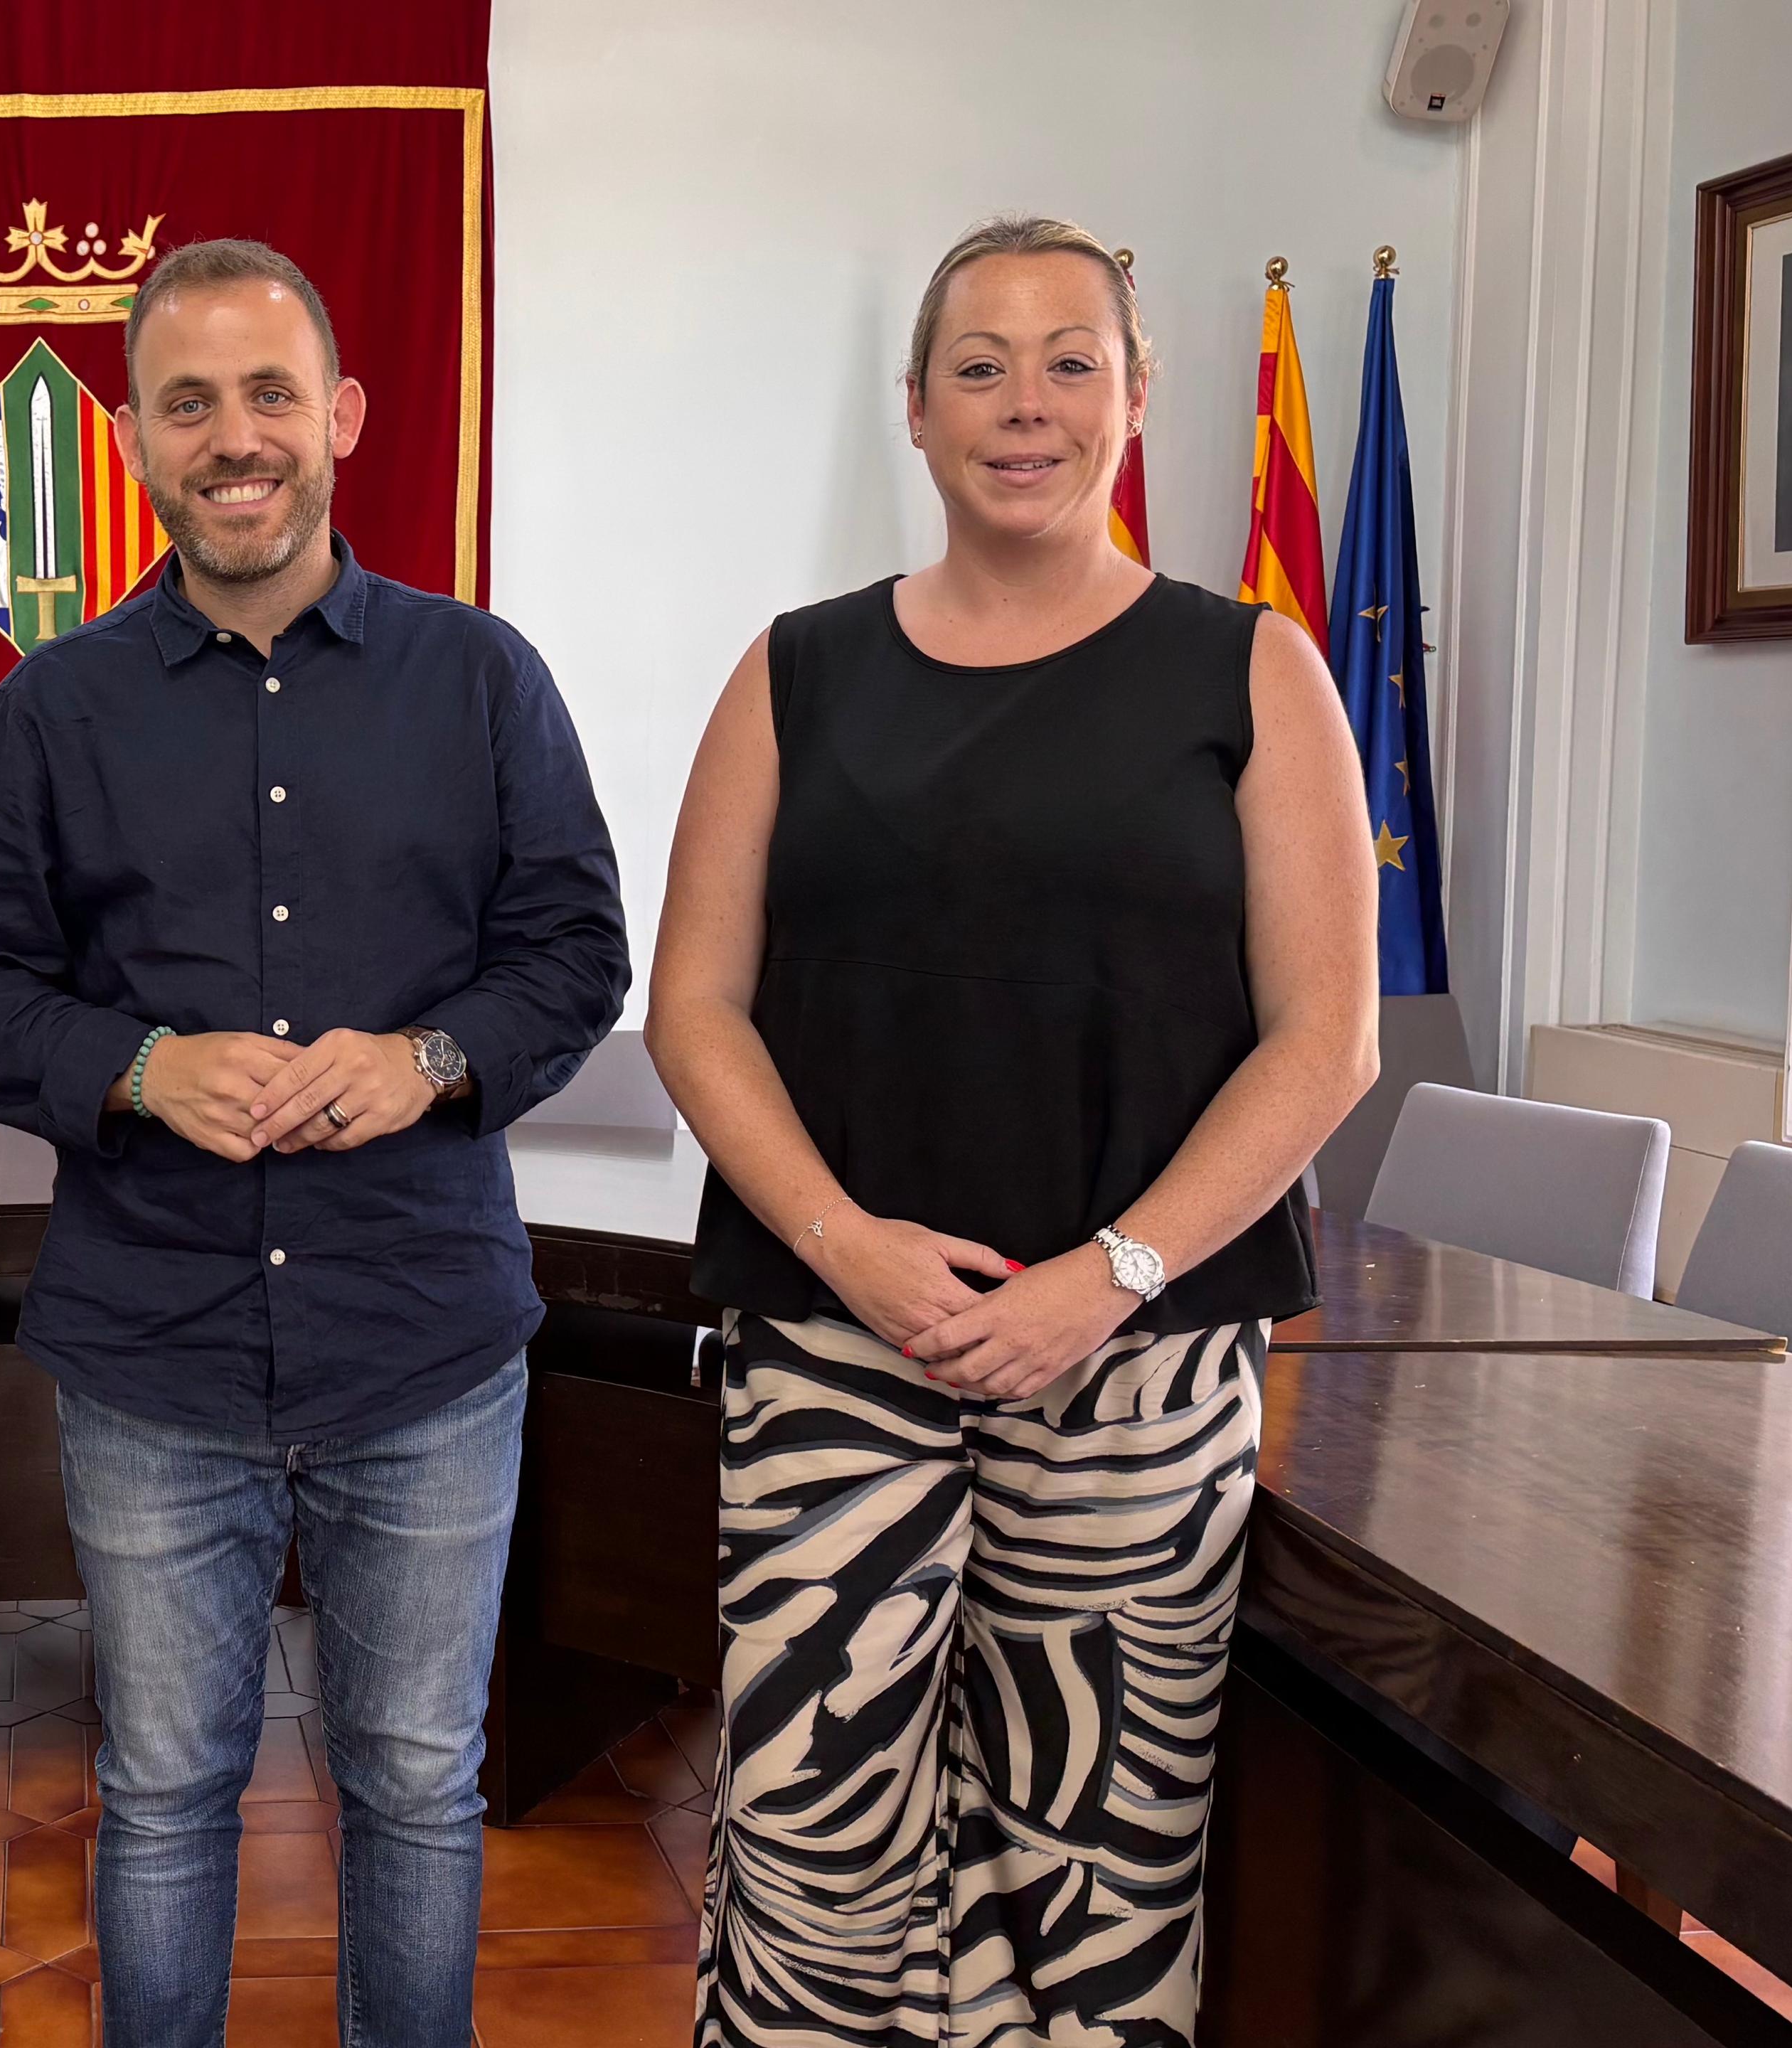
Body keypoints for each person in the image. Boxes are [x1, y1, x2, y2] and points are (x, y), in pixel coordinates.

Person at [645, 214, 1379, 2045]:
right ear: (916, 411)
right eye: (979, 365)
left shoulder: (1251, 669)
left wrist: (1110, 1277)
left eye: (1071, 361)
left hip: (1132, 1358)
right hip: (834, 1344)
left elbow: (1324, 1045)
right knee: (814, 1844)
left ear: (1138, 398)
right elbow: (693, 1010)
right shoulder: (794, 673)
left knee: (1098, 1852)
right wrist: (841, 1241)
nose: (1025, 403)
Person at [0, 238, 630, 2048]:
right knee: (160, 1794)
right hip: (150, 1350)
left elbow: (575, 958)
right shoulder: (53, 707)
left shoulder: (483, 680)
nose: (232, 437)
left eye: (268, 394)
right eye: (186, 402)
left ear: (341, 419)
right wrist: (141, 1067)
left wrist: (431, 1058)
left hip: (426, 1348)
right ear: (136, 441)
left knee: (413, 1780)